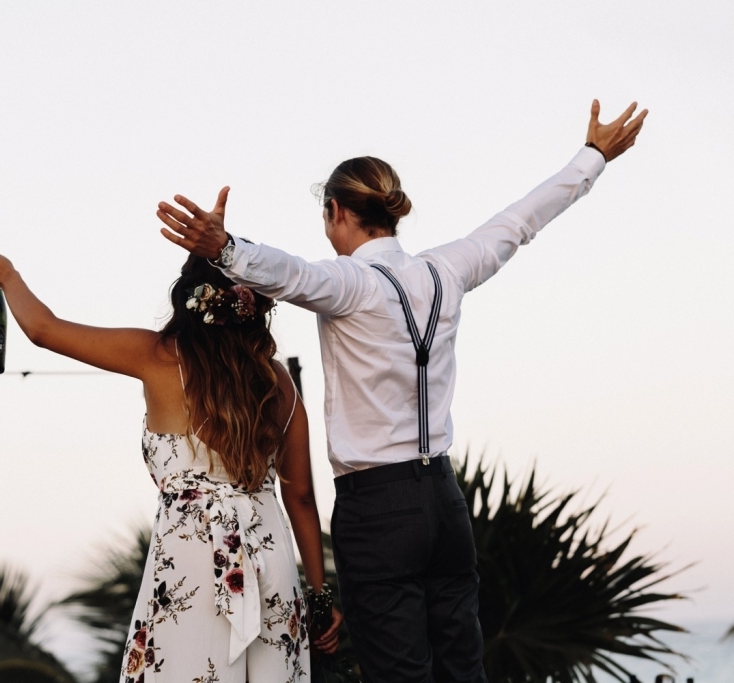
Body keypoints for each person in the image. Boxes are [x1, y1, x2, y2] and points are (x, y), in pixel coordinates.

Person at [154, 100, 648, 682]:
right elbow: (520, 221)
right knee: (463, 671)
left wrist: (225, 248)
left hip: (377, 509)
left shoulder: (346, 282)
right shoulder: (448, 269)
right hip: (444, 500)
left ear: (336, 210)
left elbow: (287, 272)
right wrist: (592, 157)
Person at [0, 251, 343, 682]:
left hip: (194, 563)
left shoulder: (157, 355)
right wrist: (319, 599)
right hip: (270, 563)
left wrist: (8, 276)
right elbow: (300, 497)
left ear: (188, 299)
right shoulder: (278, 380)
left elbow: (44, 329)